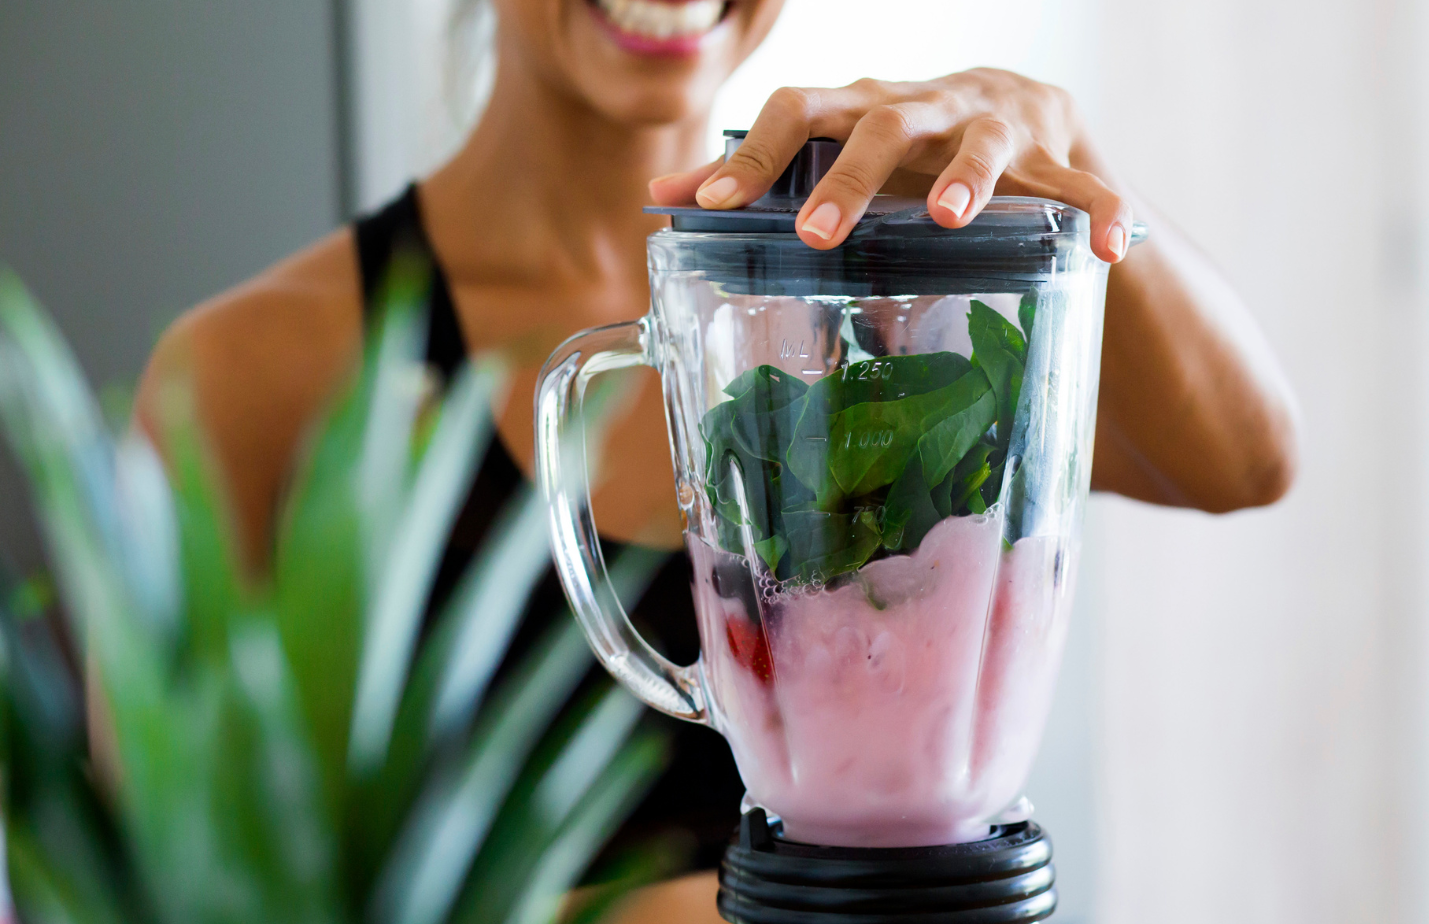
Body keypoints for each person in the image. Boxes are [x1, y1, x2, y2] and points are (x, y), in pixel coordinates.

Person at [136, 0, 1300, 918]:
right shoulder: (258, 369)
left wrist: (1062, 150)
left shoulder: (895, 295)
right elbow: (184, 888)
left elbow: (1246, 460)